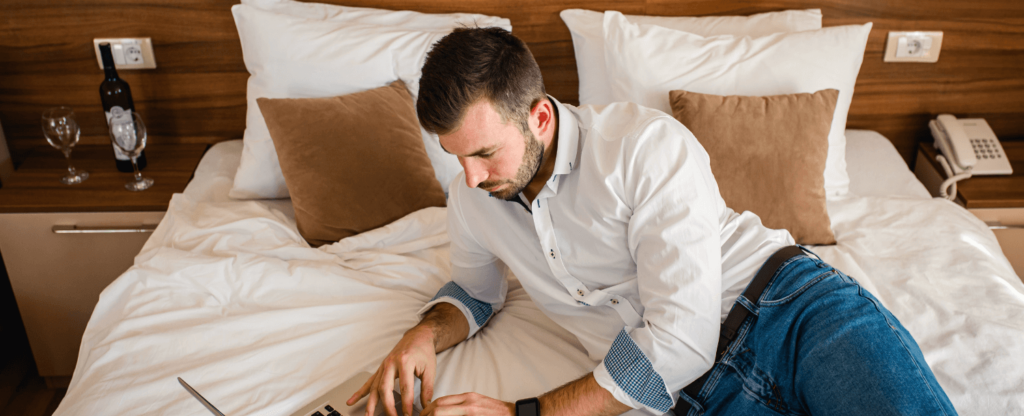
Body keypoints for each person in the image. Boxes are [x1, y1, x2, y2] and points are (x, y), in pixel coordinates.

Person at [348, 27, 957, 416]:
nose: (472, 178)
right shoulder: (471, 197)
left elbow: (681, 337)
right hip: (693, 401)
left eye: (484, 153)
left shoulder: (644, 148)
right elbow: (474, 293)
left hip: (789, 314)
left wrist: (521, 415)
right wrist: (423, 336)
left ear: (538, 116)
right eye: (456, 158)